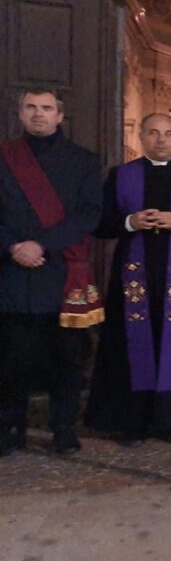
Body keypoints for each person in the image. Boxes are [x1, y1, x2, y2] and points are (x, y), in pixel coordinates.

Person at [86, 113, 171, 446]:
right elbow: (100, 224)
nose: (161, 139)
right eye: (153, 133)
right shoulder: (121, 176)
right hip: (133, 279)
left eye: (168, 134)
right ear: (140, 137)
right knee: (131, 345)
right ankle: (131, 421)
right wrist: (131, 221)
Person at [0, 88, 103, 456]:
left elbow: (89, 214)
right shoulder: (4, 156)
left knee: (68, 359)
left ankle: (63, 429)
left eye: (46, 108)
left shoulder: (84, 161)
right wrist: (13, 246)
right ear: (21, 113)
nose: (38, 114)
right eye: (31, 107)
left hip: (62, 276)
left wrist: (41, 245)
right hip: (12, 275)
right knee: (12, 361)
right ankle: (11, 429)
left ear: (60, 116)